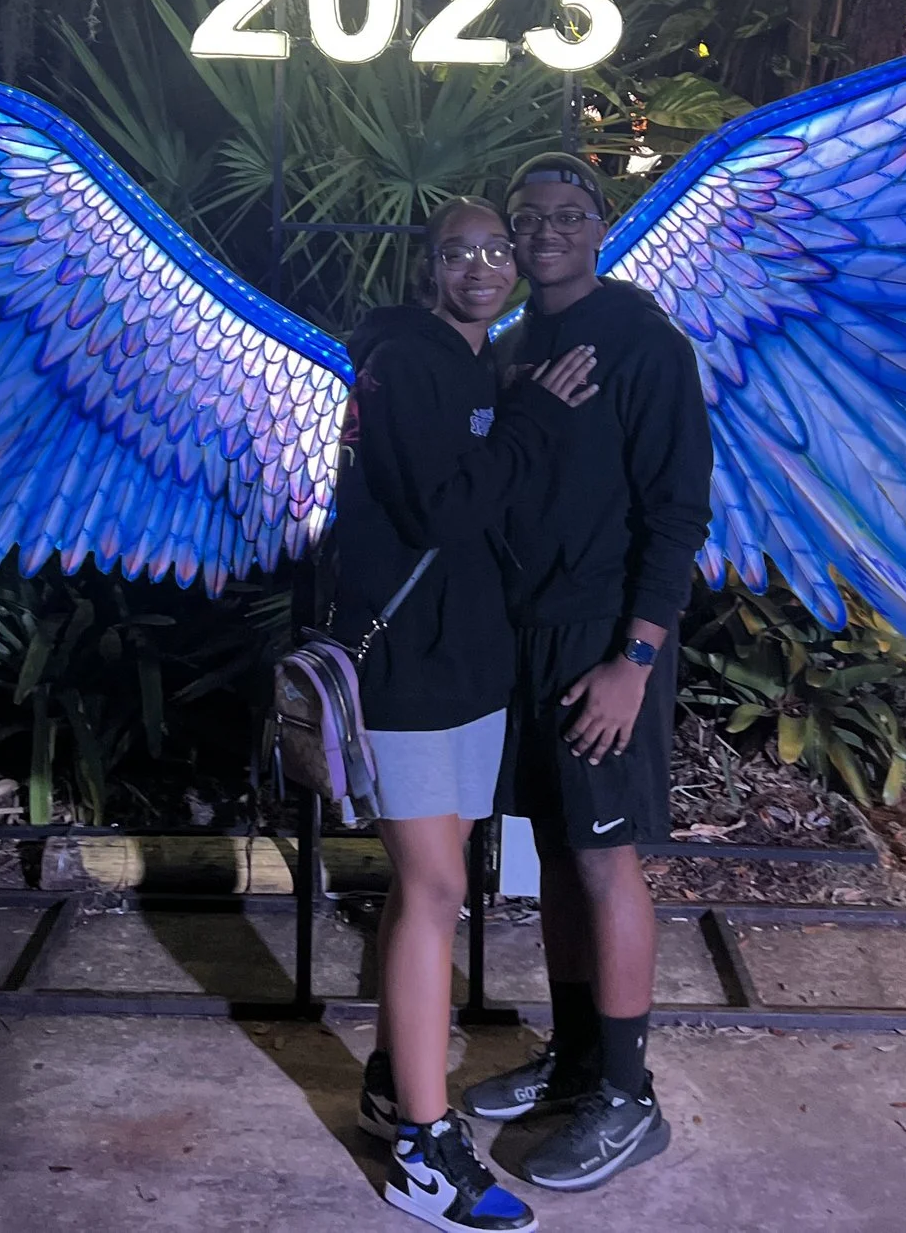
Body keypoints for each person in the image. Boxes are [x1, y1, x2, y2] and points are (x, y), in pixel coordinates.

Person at [333, 195, 599, 1231]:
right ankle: (423, 1157)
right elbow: (442, 507)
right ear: (425, 267)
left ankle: (395, 1083)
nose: (484, 265)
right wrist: (531, 417)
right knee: (433, 887)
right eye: (459, 252)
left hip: (469, 667)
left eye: (496, 248)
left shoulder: (473, 364)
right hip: (406, 671)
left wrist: (514, 399)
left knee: (437, 889)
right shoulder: (403, 360)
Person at [464, 152, 714, 1193]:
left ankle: (627, 1097)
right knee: (560, 856)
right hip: (529, 640)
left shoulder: (643, 342)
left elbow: (678, 514)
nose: (546, 231)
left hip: (604, 643)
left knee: (606, 859)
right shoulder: (519, 344)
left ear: (600, 228)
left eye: (567, 214)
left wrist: (634, 659)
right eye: (529, 218)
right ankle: (575, 1062)